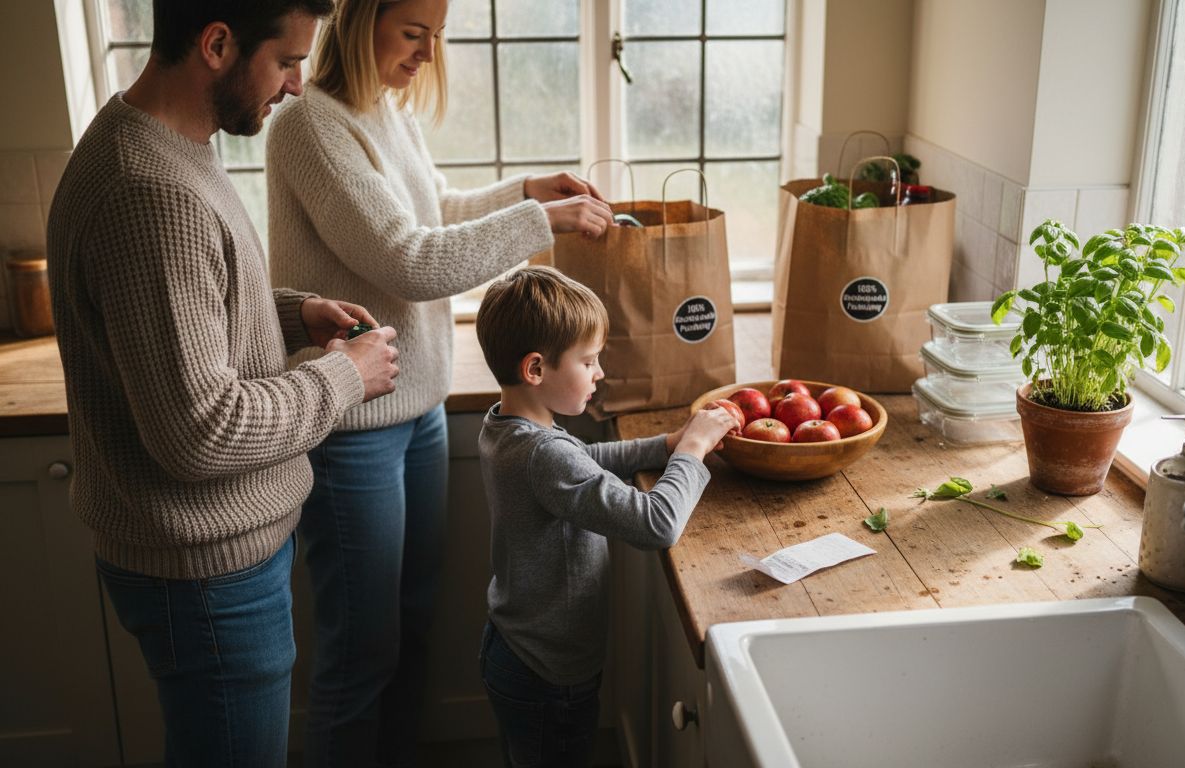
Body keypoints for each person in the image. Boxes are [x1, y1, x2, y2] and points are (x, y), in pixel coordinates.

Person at [45, 1, 402, 766]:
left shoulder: (165, 147)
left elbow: (191, 313)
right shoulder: (149, 190)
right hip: (205, 577)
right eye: (286, 62)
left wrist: (292, 314)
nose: (299, 87)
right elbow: (201, 428)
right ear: (216, 44)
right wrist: (344, 376)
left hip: (211, 564)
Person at [264, 0, 615, 764]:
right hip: (352, 426)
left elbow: (436, 212)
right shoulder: (307, 126)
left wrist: (528, 192)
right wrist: (542, 223)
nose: (428, 54)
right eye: (414, 33)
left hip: (415, 408)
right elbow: (411, 259)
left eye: (437, 37)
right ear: (361, 23)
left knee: (412, 624)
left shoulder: (385, 111)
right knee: (361, 655)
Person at [474, 266, 736, 766]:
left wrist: (665, 445)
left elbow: (583, 462)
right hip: (547, 671)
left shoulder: (510, 425)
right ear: (536, 369)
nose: (598, 373)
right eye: (588, 360)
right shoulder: (541, 453)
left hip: (516, 647)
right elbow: (655, 523)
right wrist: (694, 452)